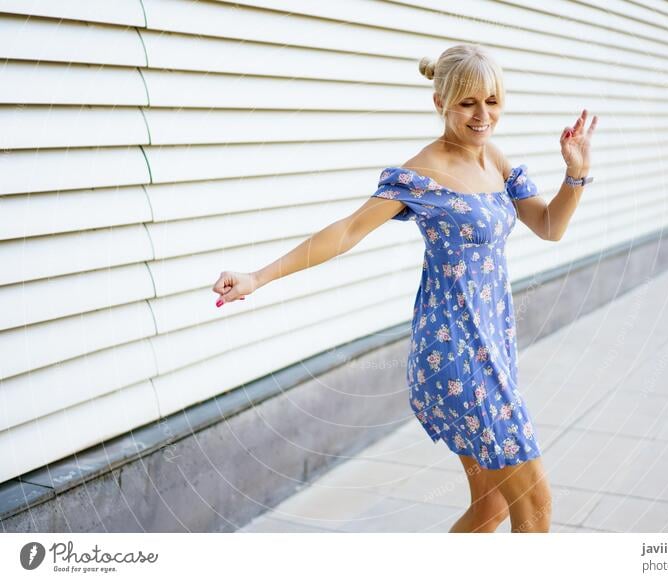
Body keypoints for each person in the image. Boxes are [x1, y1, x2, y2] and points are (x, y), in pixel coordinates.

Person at [212, 44, 597, 533]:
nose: (482, 115)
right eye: (467, 103)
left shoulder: (495, 161)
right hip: (455, 352)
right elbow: (347, 231)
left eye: (493, 101)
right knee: (535, 506)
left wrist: (576, 173)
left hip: (494, 346)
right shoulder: (422, 173)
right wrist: (257, 278)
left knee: (492, 507)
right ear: (441, 103)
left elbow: (548, 225)